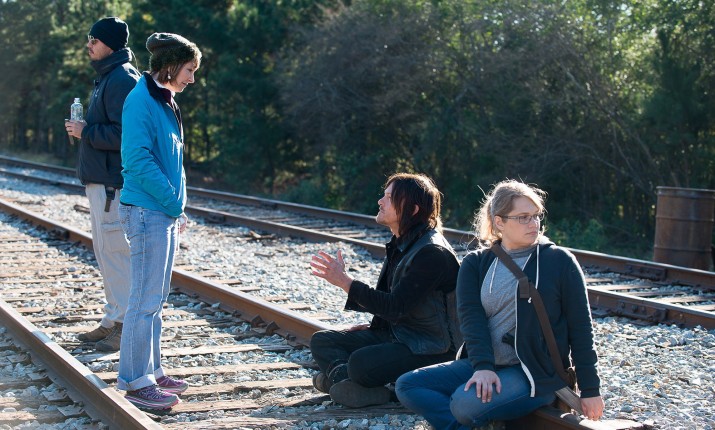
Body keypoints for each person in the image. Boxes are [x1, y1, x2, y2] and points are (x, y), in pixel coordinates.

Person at [395, 179, 605, 429]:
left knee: (463, 405)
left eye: (536, 215)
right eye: (523, 217)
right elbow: (472, 321)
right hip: (485, 364)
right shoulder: (476, 264)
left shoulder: (559, 261)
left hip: (535, 373)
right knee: (408, 385)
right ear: (499, 222)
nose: (534, 223)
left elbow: (581, 329)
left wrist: (590, 389)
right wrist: (483, 367)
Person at [309, 173, 461, 408]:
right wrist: (378, 325)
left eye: (389, 198)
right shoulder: (404, 243)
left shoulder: (431, 253)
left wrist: (345, 282)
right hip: (402, 334)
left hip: (432, 347)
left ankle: (372, 389)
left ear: (412, 209)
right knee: (323, 341)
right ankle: (347, 384)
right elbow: (399, 304)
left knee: (361, 363)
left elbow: (396, 307)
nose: (380, 201)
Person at [116, 32, 201, 410]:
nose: (192, 79)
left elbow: (172, 161)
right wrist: (172, 202)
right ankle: (137, 382)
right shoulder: (141, 100)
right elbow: (137, 160)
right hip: (146, 210)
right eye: (189, 70)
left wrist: (177, 205)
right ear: (170, 65)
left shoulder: (164, 100)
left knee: (156, 298)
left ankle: (152, 369)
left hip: (161, 211)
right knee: (143, 299)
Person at [64, 17, 140, 352]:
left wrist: (86, 132)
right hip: (102, 182)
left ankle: (125, 325)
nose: (89, 44)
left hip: (112, 184)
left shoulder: (122, 79)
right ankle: (113, 319)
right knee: (106, 253)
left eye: (94, 39)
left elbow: (127, 134)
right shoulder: (109, 76)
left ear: (110, 43)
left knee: (116, 254)